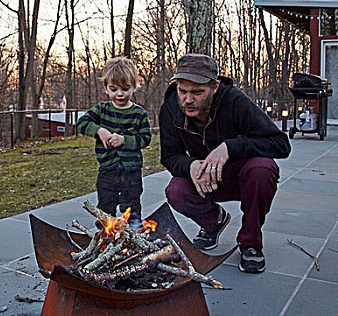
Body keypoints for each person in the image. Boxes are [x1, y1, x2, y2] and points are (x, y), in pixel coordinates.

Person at [158, 53, 291, 273]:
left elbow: (280, 144)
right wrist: (190, 165)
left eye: (197, 92)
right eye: (183, 91)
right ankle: (213, 222)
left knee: (263, 169)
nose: (188, 100)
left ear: (215, 87)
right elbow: (170, 156)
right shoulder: (171, 109)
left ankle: (250, 243)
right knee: (176, 190)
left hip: (242, 176)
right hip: (205, 178)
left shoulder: (235, 101)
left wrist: (231, 147)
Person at [76, 56, 152, 230]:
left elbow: (146, 139)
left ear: (134, 87)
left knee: (131, 203)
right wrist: (99, 130)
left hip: (131, 170)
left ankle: (133, 230)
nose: (120, 94)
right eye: (114, 89)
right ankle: (105, 232)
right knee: (106, 202)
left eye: (125, 89)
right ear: (106, 88)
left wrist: (125, 140)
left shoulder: (139, 114)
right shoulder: (102, 110)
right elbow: (81, 124)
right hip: (107, 170)